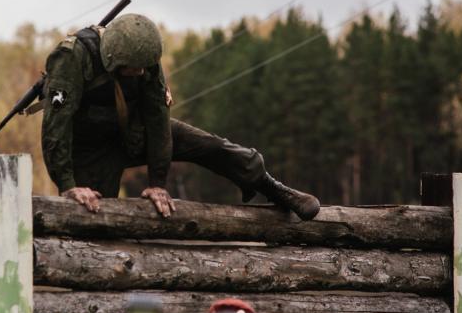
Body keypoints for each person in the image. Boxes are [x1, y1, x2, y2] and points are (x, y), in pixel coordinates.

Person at [41, 13, 320, 220]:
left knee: (211, 145)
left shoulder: (146, 57)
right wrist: (68, 186)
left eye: (144, 68)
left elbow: (158, 121)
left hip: (133, 132)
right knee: (96, 218)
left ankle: (271, 186)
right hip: (90, 149)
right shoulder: (72, 58)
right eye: (133, 69)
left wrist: (157, 184)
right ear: (115, 58)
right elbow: (56, 128)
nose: (140, 73)